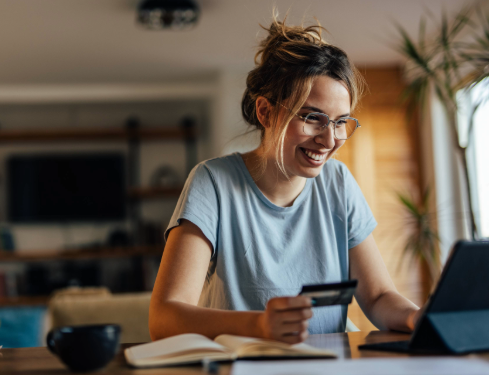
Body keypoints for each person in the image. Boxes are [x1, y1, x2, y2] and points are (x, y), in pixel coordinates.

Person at [149, 16, 422, 344]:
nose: (329, 139)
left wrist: (415, 316)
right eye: (311, 118)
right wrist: (260, 327)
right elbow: (164, 317)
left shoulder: (338, 182)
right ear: (265, 112)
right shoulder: (212, 183)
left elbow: (378, 297)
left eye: (340, 122)